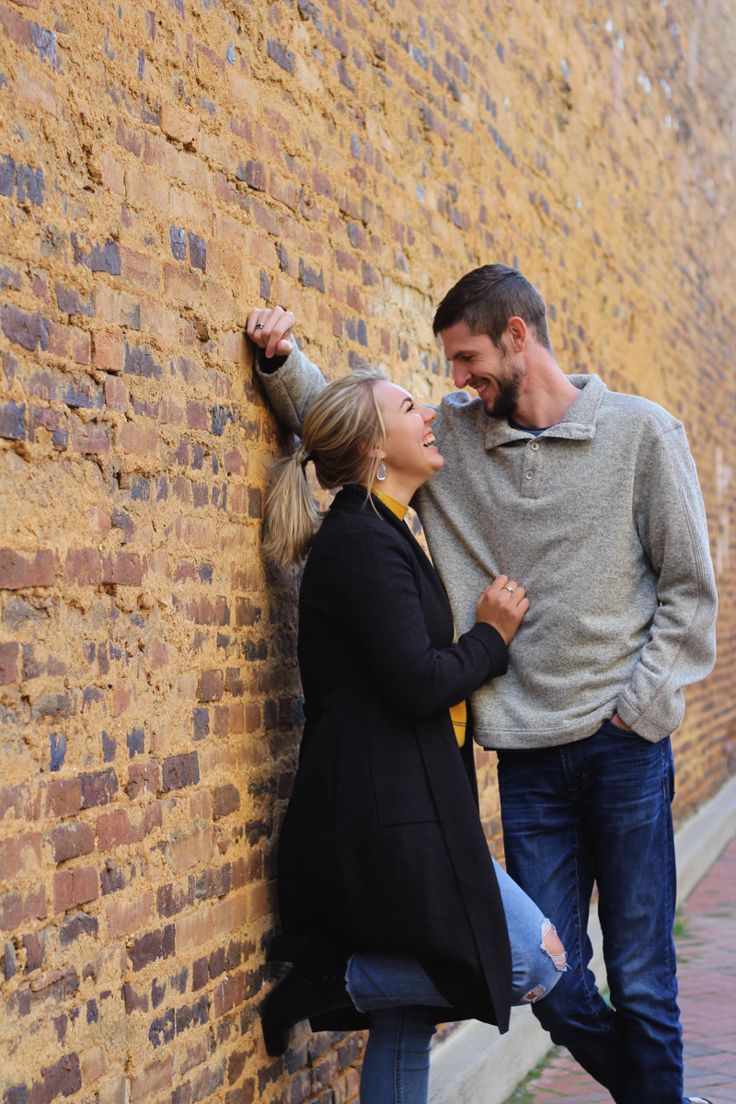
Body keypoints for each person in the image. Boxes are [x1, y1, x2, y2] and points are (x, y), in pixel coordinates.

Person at [247, 266, 718, 1104]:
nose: (455, 384)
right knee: (556, 986)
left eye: (466, 361)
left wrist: (637, 713)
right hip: (531, 764)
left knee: (644, 984)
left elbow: (690, 591)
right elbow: (356, 431)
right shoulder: (455, 444)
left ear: (516, 336)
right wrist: (285, 363)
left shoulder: (645, 434)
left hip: (626, 753)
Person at [257, 365, 567, 1103]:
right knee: (533, 958)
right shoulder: (361, 542)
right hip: (387, 818)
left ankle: (355, 983)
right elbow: (417, 680)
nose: (428, 411)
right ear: (371, 447)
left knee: (407, 1020)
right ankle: (333, 981)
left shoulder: (388, 528)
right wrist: (492, 638)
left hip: (412, 804)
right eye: (407, 406)